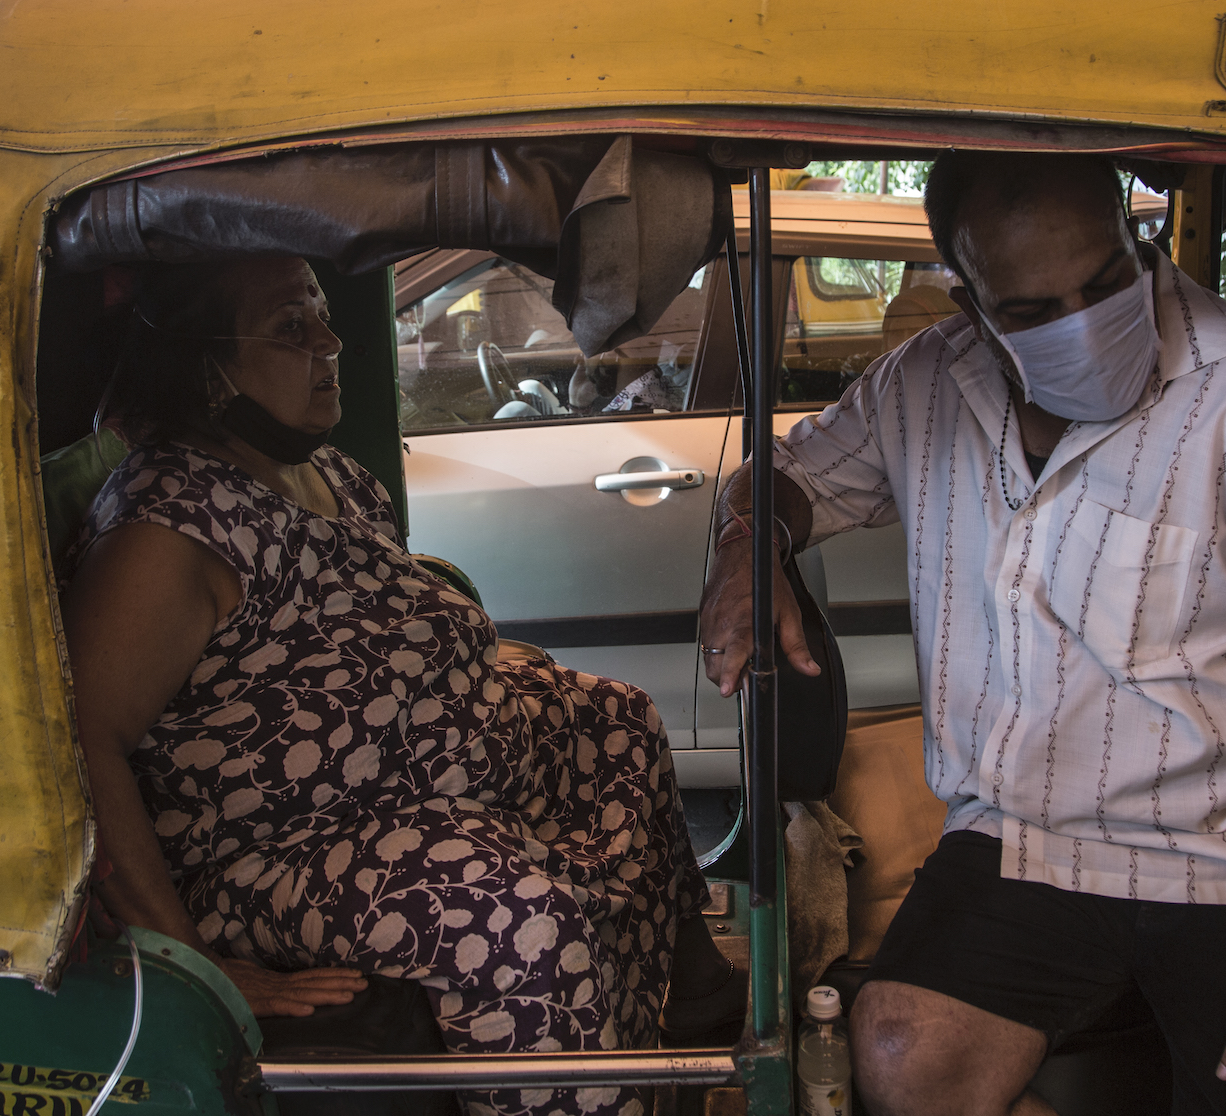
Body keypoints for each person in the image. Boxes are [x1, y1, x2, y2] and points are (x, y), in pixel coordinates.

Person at [698, 152, 1226, 1116]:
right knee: (898, 1053)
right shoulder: (924, 382)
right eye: (1034, 310)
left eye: (1105, 283)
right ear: (972, 308)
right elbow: (790, 477)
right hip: (1022, 837)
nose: (1083, 325)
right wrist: (748, 541)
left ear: (1136, 236)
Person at [62, 255, 739, 1116]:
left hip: (402, 794)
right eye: (291, 328)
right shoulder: (166, 530)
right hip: (271, 849)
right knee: (512, 917)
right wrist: (187, 963)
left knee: (619, 719)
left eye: (320, 312)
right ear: (208, 368)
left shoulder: (326, 471)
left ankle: (689, 1003)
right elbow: (85, 739)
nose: (331, 341)